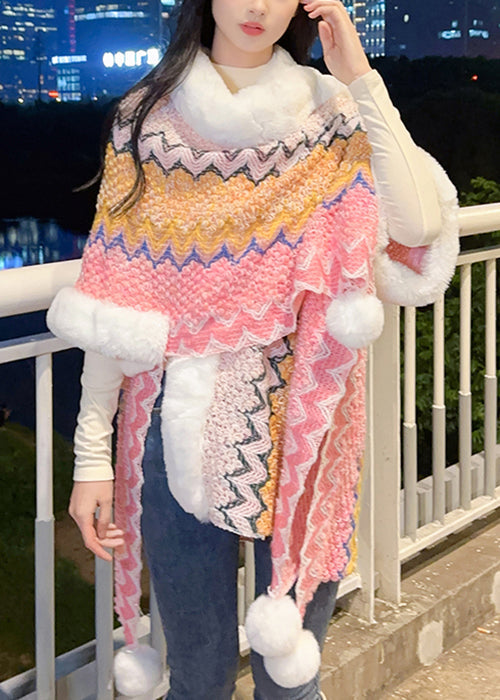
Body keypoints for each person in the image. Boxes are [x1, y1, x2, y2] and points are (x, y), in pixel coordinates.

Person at [47, 0, 459, 698]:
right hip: (172, 424)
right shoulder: (149, 122)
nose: (258, 7)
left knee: (289, 677)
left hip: (301, 429)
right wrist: (91, 459)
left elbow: (418, 224)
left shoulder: (328, 112)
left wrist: (359, 76)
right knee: (198, 680)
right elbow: (115, 306)